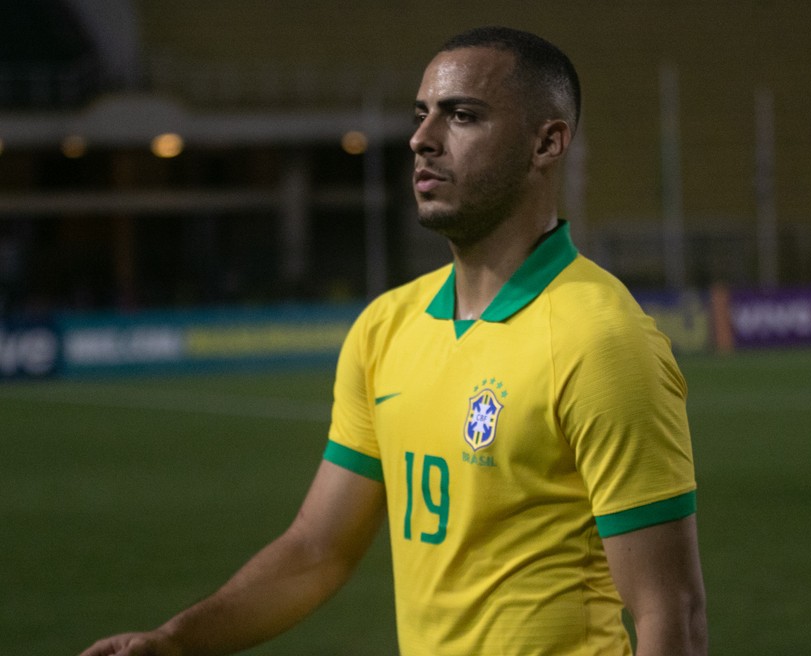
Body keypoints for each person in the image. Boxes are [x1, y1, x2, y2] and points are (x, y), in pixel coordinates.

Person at [80, 26, 707, 656]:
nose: (421, 139)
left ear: (547, 142)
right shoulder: (385, 328)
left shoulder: (600, 340)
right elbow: (317, 550)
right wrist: (175, 642)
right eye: (420, 115)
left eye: (462, 115)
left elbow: (668, 610)